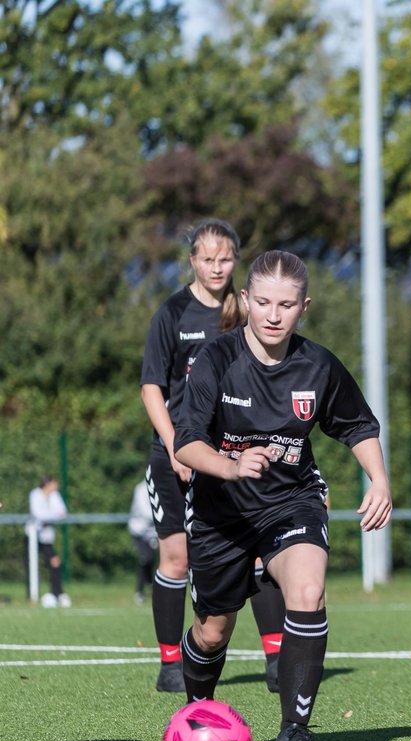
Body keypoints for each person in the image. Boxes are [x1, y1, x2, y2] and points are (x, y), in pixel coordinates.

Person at [173, 249, 392, 741]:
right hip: (219, 513)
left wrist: (379, 480)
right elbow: (185, 443)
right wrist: (230, 466)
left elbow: (358, 425)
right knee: (212, 630)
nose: (274, 315)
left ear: (304, 307)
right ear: (245, 300)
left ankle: (294, 730)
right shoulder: (217, 361)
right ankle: (197, 712)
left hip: (291, 502)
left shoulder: (317, 365)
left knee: (308, 591)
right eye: (264, 302)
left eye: (287, 305)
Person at [140, 219, 289, 693]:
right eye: (208, 259)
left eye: (226, 259)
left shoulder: (245, 311)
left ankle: (276, 658)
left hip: (234, 455)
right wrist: (176, 447)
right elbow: (152, 388)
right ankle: (171, 664)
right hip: (175, 455)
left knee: (259, 554)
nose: (217, 267)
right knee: (177, 558)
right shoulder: (173, 313)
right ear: (192, 261)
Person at [28, 476, 69, 608]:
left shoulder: (54, 496)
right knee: (31, 565)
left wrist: (51, 516)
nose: (56, 488)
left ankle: (57, 593)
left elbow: (63, 513)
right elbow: (38, 515)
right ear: (47, 484)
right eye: (54, 484)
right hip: (33, 536)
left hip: (47, 537)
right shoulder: (35, 494)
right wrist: (54, 515)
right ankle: (31, 595)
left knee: (55, 563)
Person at [127, 478, 158, 605]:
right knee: (144, 559)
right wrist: (163, 516)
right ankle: (140, 591)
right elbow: (145, 511)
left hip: (153, 532)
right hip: (138, 531)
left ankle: (150, 584)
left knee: (151, 560)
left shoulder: (159, 486)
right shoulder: (141, 489)